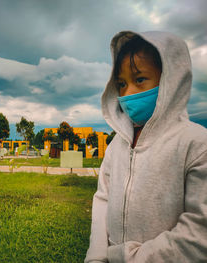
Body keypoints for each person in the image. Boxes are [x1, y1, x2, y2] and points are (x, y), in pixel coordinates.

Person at [84, 31, 207, 262]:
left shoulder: (197, 144)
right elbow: (102, 200)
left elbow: (199, 234)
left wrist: (128, 257)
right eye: (121, 83)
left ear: (171, 80)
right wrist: (97, 257)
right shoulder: (116, 146)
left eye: (140, 79)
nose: (127, 92)